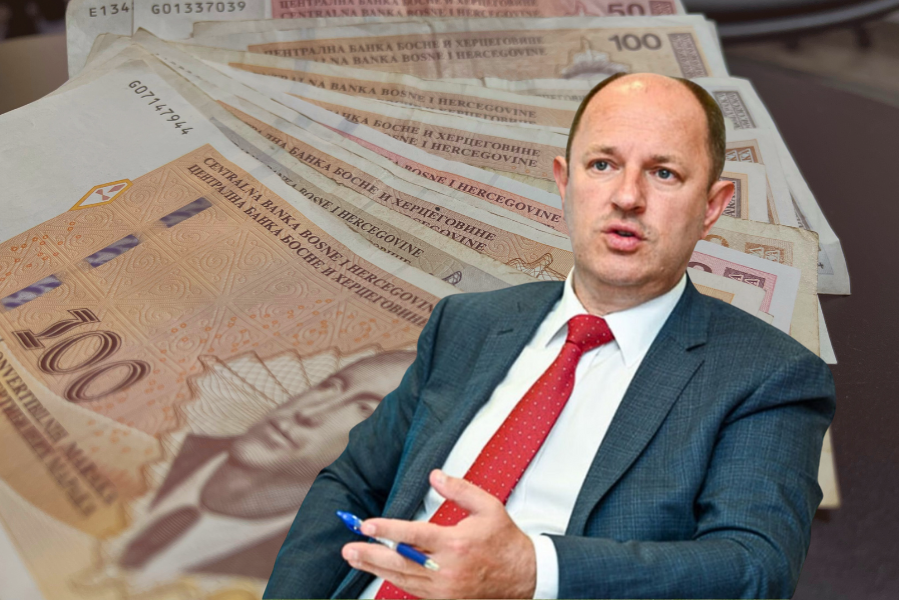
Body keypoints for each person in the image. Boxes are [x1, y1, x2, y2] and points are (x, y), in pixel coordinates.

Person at [264, 73, 836, 599]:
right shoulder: (468, 323)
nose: (627, 196)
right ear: (565, 182)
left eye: (664, 173)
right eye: (603, 164)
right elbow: (353, 483)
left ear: (711, 206)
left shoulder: (767, 375)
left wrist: (534, 571)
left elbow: (754, 569)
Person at [114, 351, 415, 584]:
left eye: (363, 409)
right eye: (331, 386)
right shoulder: (139, 440)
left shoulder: (317, 565)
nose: (308, 412)